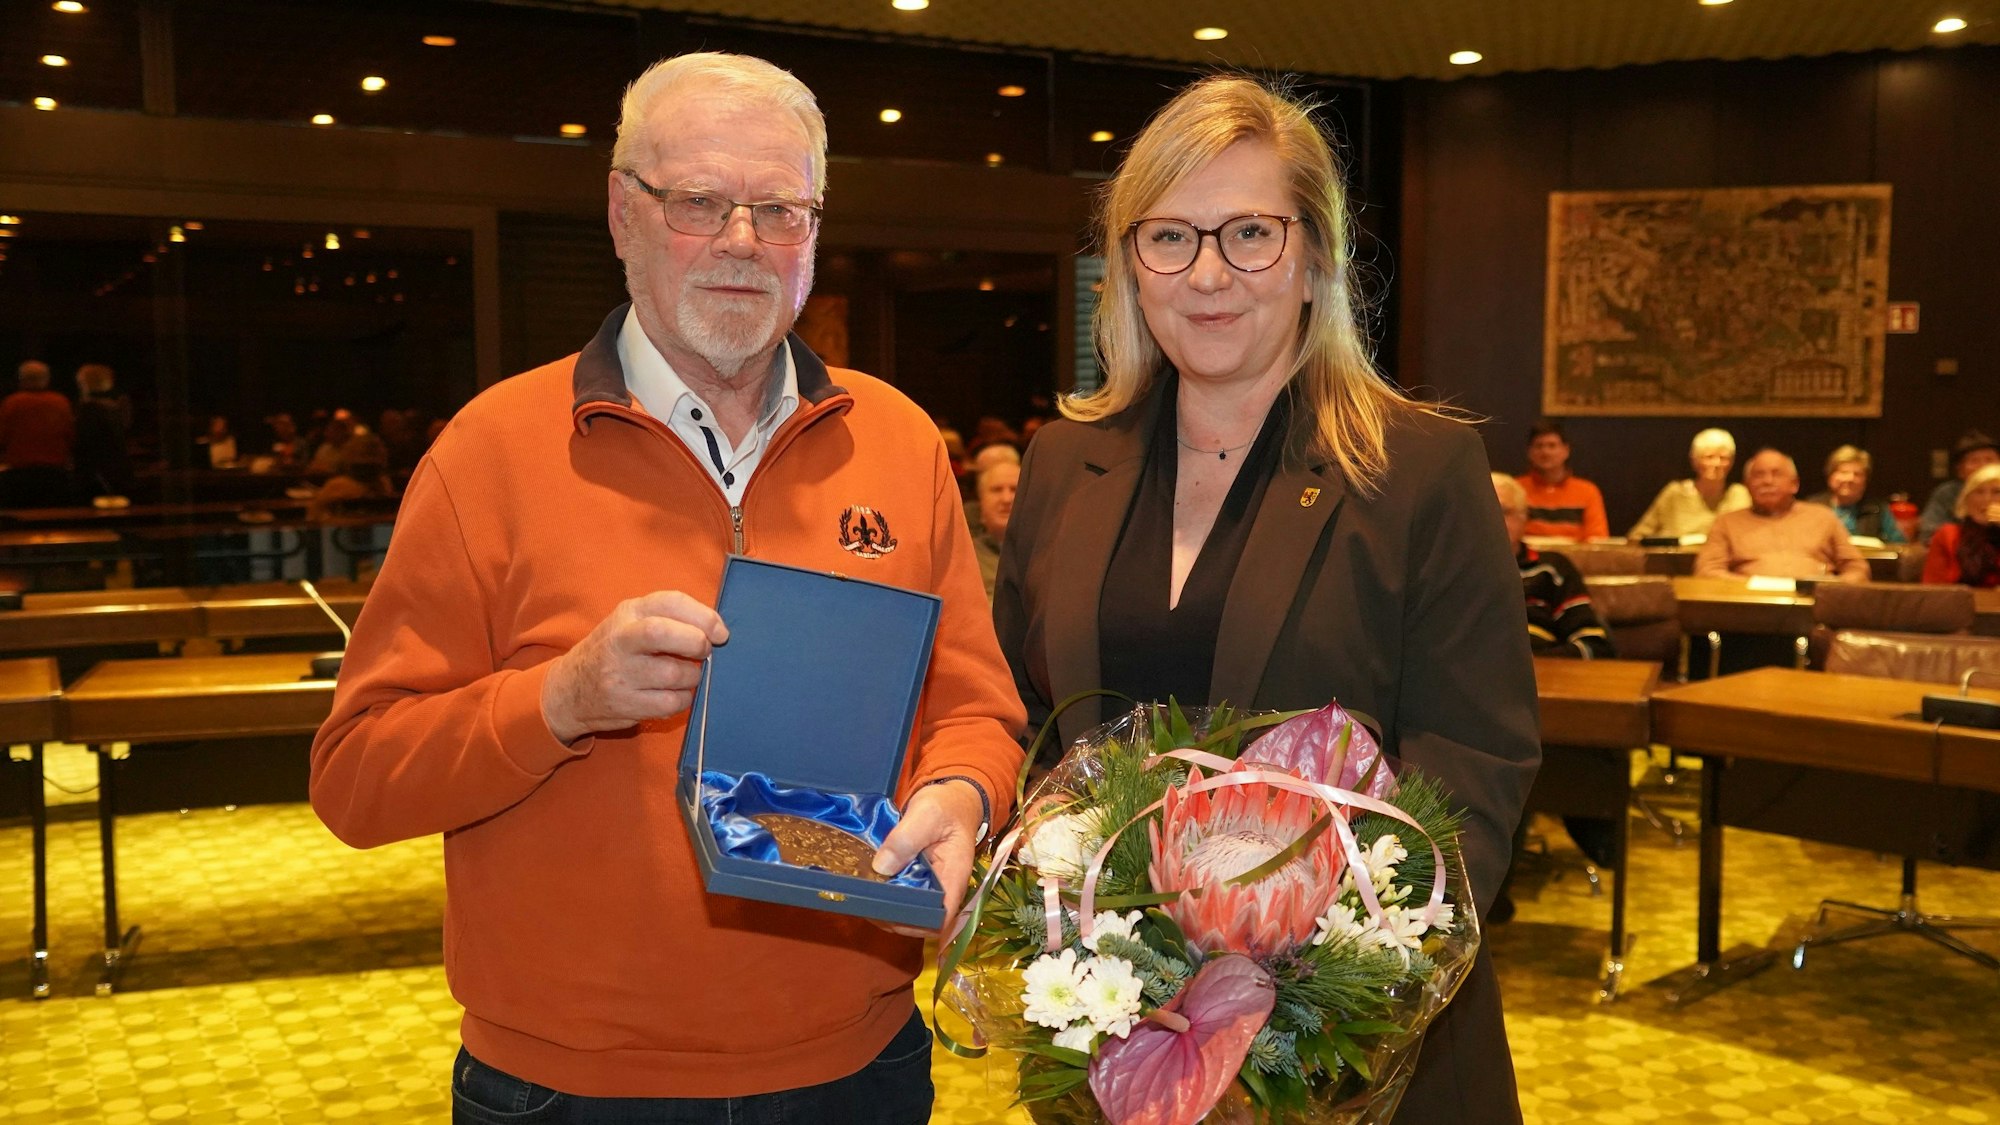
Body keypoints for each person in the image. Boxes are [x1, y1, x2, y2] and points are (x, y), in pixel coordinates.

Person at [309, 52, 1024, 1121]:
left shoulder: (902, 442)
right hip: (569, 1085)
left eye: (778, 208)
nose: (742, 241)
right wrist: (559, 701)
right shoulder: (491, 451)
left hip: (854, 1065)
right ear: (621, 214)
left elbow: (974, 708)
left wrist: (962, 793)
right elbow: (357, 780)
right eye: (698, 201)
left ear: (815, 231)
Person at [993, 75, 1538, 1124]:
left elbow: (1473, 763)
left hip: (1348, 1053)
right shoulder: (1064, 461)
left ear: (1315, 260)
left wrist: (1308, 1009)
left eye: (1249, 233)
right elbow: (1029, 723)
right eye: (1169, 238)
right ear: (1128, 266)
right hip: (1109, 1045)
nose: (1207, 274)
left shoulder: (1416, 468)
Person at [1695, 449, 1869, 582]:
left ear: (1794, 484)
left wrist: (1831, 588)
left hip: (1816, 608)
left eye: (1776, 474)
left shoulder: (1823, 517)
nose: (1767, 481)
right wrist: (1753, 586)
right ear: (1746, 485)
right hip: (1747, 610)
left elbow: (1857, 568)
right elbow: (1707, 571)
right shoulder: (1727, 522)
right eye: (1758, 475)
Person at [1494, 474, 1612, 659]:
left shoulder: (1551, 568)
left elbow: (1592, 643)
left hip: (1541, 672)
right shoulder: (1451, 570)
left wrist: (1542, 663)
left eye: (1503, 511)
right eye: (1481, 511)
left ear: (1524, 517)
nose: (1492, 520)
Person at [1626, 427, 1750, 540]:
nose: (1716, 463)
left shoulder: (1739, 494)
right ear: (1694, 461)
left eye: (1723, 458)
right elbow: (1637, 536)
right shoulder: (1674, 494)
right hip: (1676, 562)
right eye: (1709, 457)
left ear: (1732, 462)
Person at [1514, 419, 1608, 542]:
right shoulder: (1515, 489)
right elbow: (1510, 537)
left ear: (1566, 451)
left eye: (1552, 446)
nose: (1545, 452)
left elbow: (1597, 540)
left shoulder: (1587, 491)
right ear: (1530, 452)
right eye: (1539, 446)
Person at [0, 360, 76, 508]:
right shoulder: (60, 402)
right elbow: (70, 435)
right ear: (47, 379)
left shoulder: (12, 403)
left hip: (19, 474)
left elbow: (3, 436)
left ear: (21, 379)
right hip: (55, 473)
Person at [1805, 444, 1904, 544]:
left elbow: (1899, 545)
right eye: (1844, 472)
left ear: (1866, 480)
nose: (1850, 479)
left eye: (1857, 474)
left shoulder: (1878, 509)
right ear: (1830, 477)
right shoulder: (1813, 506)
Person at [1922, 462, 2000, 588]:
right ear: (1966, 499)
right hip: (1957, 605)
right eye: (1979, 492)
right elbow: (1932, 590)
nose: (1987, 500)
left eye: (1997, 492)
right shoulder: (1948, 535)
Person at [1918, 430, 2000, 544]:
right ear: (1960, 470)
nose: (1983, 466)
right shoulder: (1947, 493)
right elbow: (1929, 535)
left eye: (1989, 459)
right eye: (1974, 460)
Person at [73, 363, 133, 498]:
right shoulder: (116, 406)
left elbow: (85, 443)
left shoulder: (89, 410)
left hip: (96, 474)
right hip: (118, 469)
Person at [967, 456, 1019, 599]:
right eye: (996, 490)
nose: (1006, 499)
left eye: (1014, 489)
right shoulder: (963, 558)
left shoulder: (1051, 555)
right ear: (981, 505)